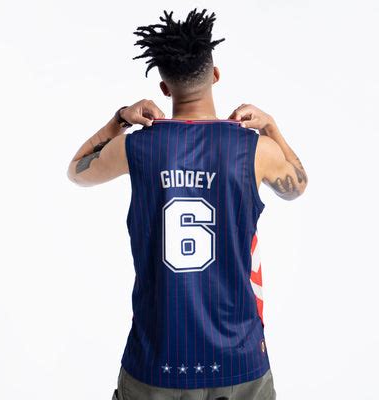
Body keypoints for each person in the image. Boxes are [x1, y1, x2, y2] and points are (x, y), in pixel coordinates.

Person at [67, 8, 308, 400]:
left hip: (157, 359)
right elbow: (297, 186)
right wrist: (271, 127)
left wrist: (120, 119)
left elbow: (77, 170)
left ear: (164, 88)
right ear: (215, 75)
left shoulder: (134, 146)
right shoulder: (256, 149)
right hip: (239, 358)